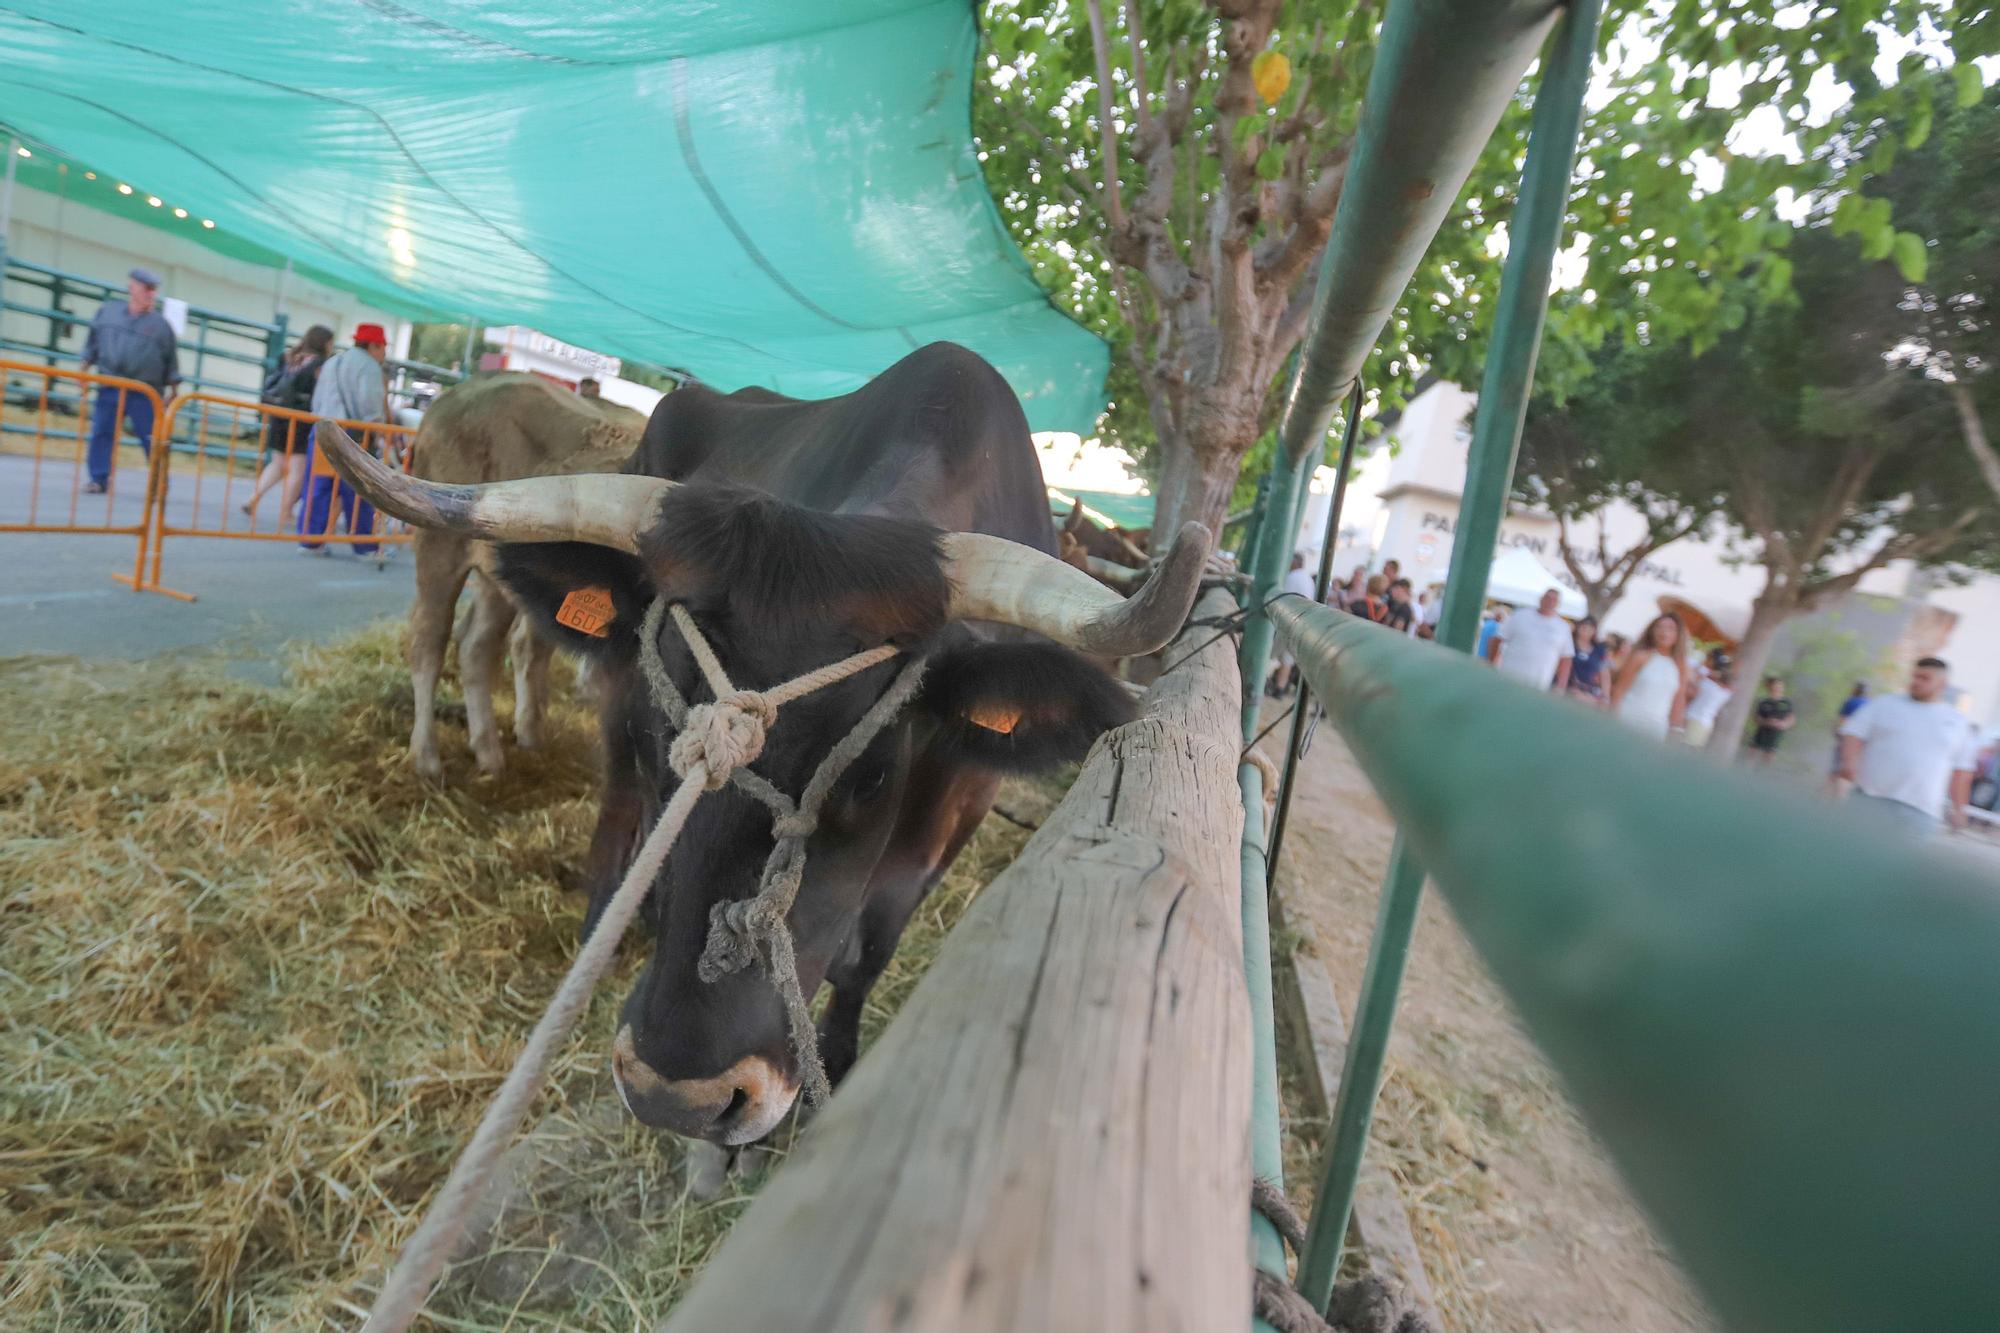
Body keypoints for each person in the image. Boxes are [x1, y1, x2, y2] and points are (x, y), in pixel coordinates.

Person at [1837, 657, 1980, 832]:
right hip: (1870, 798)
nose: (1916, 682)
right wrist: (1849, 763)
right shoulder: (1885, 704)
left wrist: (1959, 809)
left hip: (1920, 811)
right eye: (1915, 676)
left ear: (1942, 684)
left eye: (1925, 678)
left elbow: (1962, 771)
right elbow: (1854, 733)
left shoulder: (1958, 722)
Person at [78, 267, 181, 494]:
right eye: (146, 288)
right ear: (132, 287)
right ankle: (99, 478)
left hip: (144, 391)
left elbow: (171, 360)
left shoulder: (161, 327)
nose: (150, 294)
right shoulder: (108, 313)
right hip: (111, 384)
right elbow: (92, 343)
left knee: (150, 436)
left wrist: (173, 391)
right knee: (102, 431)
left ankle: (159, 481)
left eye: (153, 290)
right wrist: (83, 369)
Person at [300, 323, 390, 555]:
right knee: (359, 491)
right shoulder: (369, 367)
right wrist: (378, 431)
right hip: (353, 433)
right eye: (383, 348)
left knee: (319, 488)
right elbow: (369, 405)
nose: (384, 354)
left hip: (323, 428)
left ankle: (310, 542)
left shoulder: (333, 362)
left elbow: (317, 401)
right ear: (374, 345)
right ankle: (365, 547)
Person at [243, 324, 335, 520]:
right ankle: (285, 511)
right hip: (302, 419)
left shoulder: (289, 356)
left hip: (279, 415)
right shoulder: (319, 364)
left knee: (277, 463)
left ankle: (254, 498)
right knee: (297, 468)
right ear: (325, 343)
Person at [1610, 612, 1688, 739]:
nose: (1664, 632)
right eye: (1659, 627)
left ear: (1678, 634)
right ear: (1652, 631)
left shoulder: (1680, 666)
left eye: (1670, 628)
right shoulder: (1641, 656)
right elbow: (1619, 689)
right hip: (1627, 720)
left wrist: (1677, 729)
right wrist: (1612, 719)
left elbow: (1679, 699)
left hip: (1656, 729)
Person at [1487, 589, 1572, 691]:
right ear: (1541, 599)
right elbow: (1498, 638)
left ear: (1558, 604)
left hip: (1539, 685)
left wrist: (1561, 686)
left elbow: (1566, 658)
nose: (1550, 602)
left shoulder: (1562, 627)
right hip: (1509, 677)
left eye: (1554, 600)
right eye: (1547, 598)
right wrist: (1492, 663)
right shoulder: (1520, 615)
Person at [1267, 553, 1317, 696]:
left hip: (1287, 623)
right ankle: (1280, 689)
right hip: (1301, 625)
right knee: (1287, 658)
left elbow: (1280, 599)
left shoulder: (1292, 577)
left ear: (1294, 563)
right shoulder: (1308, 579)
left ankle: (1262, 681)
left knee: (1270, 653)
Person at [1827, 682, 1870, 794]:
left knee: (1835, 770)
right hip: (1861, 743)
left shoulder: (1850, 701)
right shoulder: (1869, 704)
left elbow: (1842, 720)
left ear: (1855, 689)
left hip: (1846, 740)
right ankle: (1839, 801)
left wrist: (1836, 732)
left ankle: (1825, 798)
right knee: (1847, 773)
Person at [1748, 675, 1797, 762]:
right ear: (1769, 686)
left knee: (1768, 758)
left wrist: (1783, 724)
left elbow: (1791, 719)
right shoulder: (1763, 701)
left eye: (1780, 685)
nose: (1778, 687)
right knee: (1752, 756)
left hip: (1775, 736)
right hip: (1761, 734)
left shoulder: (1786, 702)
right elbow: (1756, 718)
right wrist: (1766, 722)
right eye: (1775, 685)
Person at [1684, 662, 1733, 746]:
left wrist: (1710, 673)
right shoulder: (1726, 694)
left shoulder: (1708, 685)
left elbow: (1696, 678)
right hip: (1707, 724)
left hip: (1693, 718)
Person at [1566, 615, 1610, 705]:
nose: (1586, 629)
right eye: (1584, 626)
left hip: (1588, 693)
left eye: (1591, 627)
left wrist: (1605, 696)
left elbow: (1604, 673)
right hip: (1567, 688)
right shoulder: (1569, 644)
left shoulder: (1599, 650)